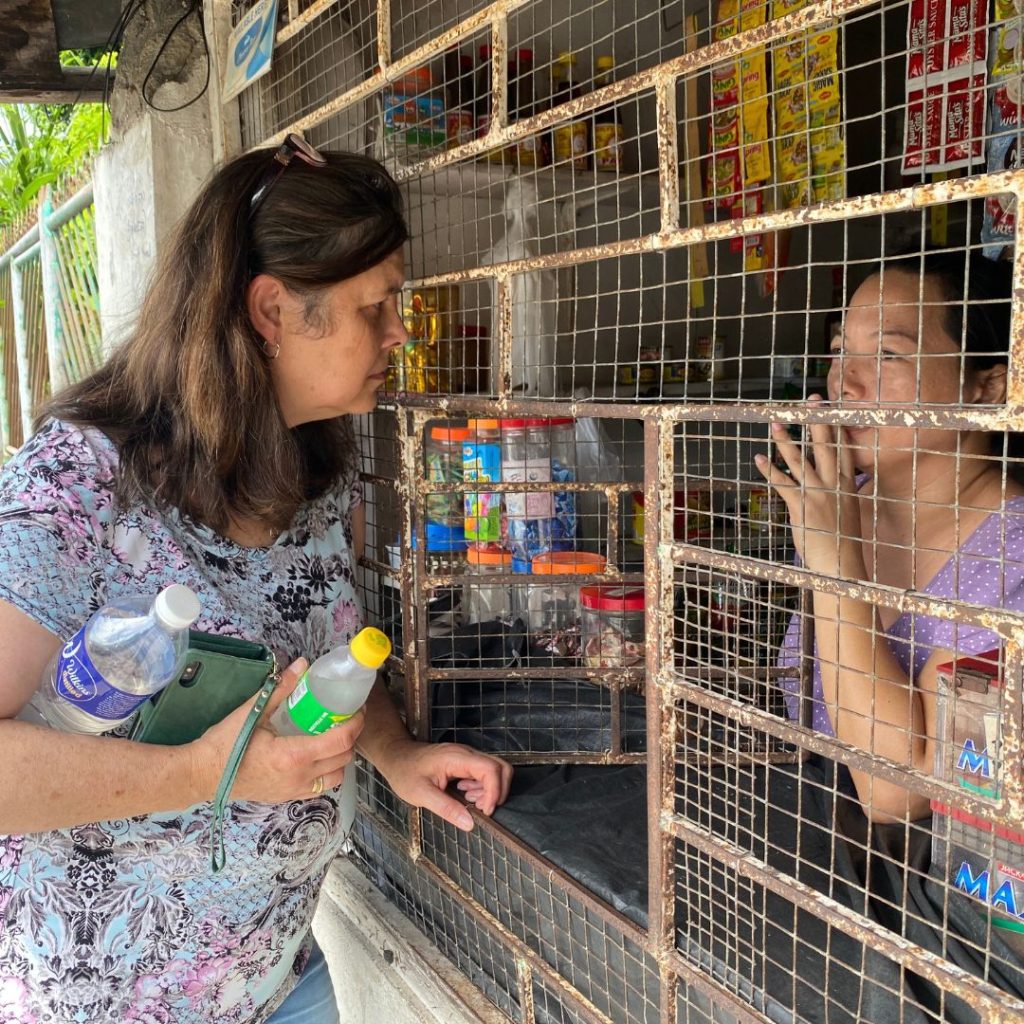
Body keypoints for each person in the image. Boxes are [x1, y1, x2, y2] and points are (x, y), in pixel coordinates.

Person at [0, 135, 512, 1024]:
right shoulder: (79, 483)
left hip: (281, 981)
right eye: (378, 306)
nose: (400, 331)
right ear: (274, 310)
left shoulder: (313, 466)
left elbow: (323, 662)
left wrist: (391, 751)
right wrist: (214, 772)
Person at [754, 248, 1024, 1018]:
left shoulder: (1012, 556)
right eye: (842, 351)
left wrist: (834, 567)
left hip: (939, 934)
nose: (847, 381)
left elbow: (891, 793)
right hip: (806, 872)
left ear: (988, 384)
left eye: (889, 354)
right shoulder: (845, 500)